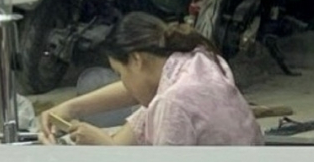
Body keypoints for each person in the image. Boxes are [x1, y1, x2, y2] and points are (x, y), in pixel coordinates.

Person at [39, 15, 263, 146]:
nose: (123, 82)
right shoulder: (196, 59)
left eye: (120, 73)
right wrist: (70, 108)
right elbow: (135, 95)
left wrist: (104, 146)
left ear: (136, 60)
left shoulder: (172, 103)